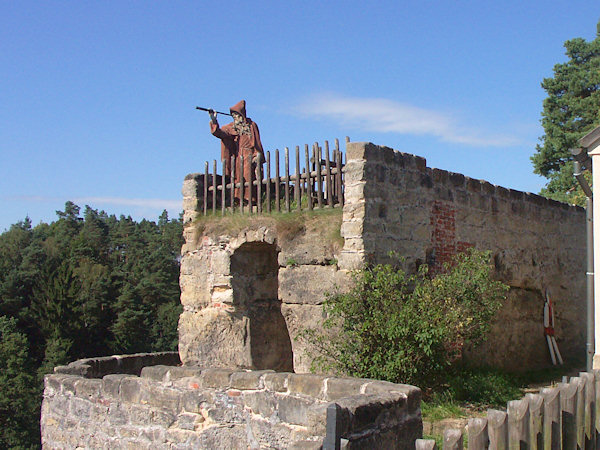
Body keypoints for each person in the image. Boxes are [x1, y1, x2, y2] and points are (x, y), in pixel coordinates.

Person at [208, 100, 264, 202]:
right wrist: (214, 120)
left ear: (241, 115)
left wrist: (257, 154)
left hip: (249, 155)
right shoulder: (232, 127)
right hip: (238, 157)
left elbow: (257, 141)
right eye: (233, 115)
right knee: (237, 178)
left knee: (249, 176)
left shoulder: (251, 125)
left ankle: (251, 200)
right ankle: (239, 201)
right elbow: (219, 133)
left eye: (237, 115)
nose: (235, 118)